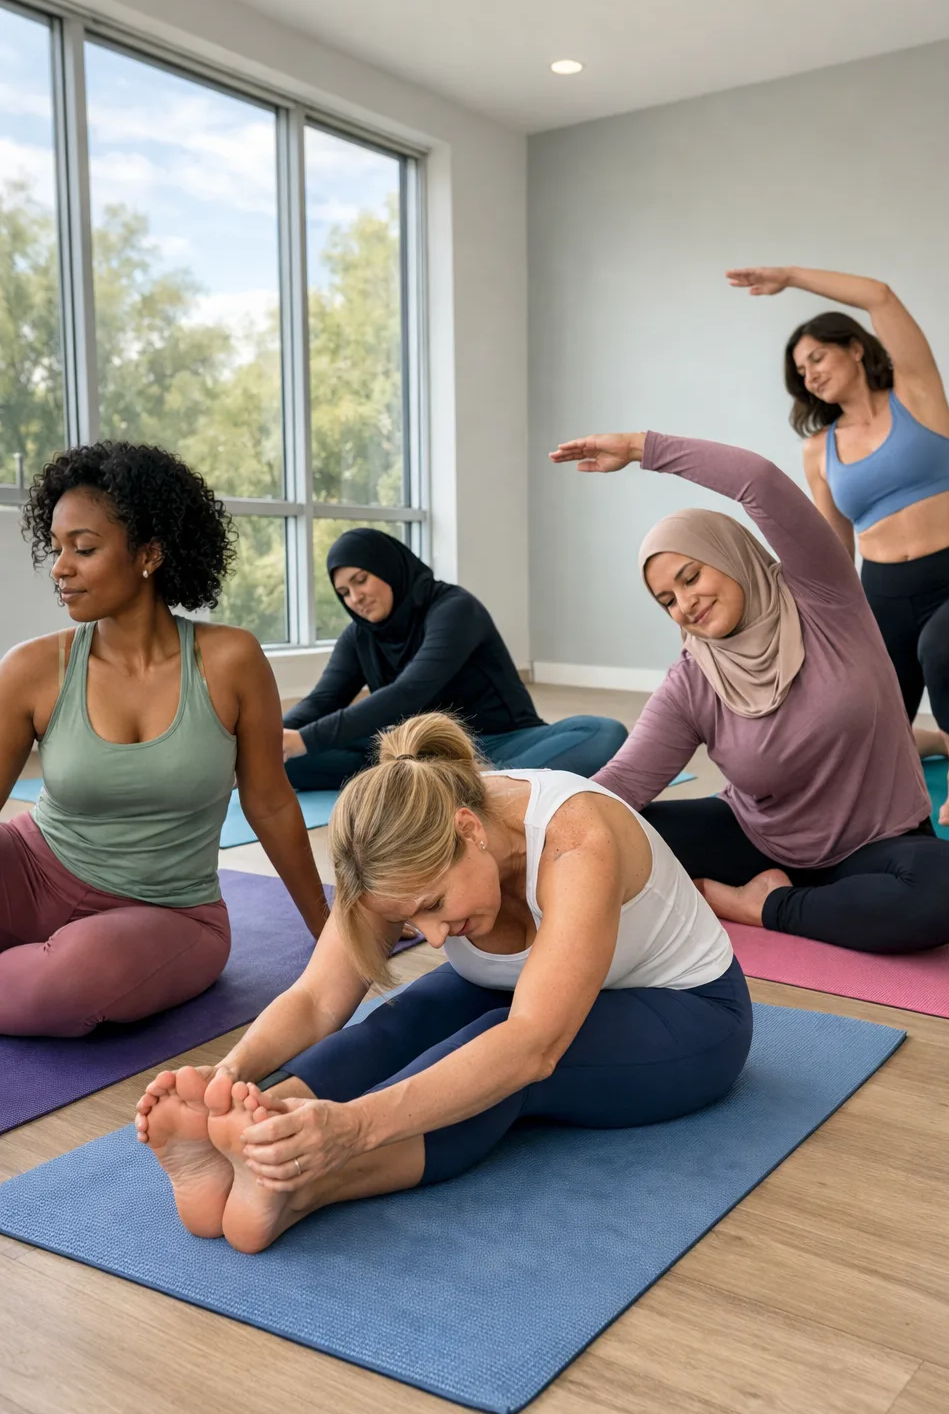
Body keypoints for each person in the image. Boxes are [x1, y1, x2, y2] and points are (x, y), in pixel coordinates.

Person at [133, 711, 751, 1254]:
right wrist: (229, 1076)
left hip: (691, 1016)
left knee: (496, 1055)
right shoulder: (395, 847)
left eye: (432, 904)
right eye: (409, 918)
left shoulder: (574, 838)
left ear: (470, 830)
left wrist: (353, 1128)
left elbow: (531, 1044)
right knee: (401, 1020)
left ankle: (303, 1184)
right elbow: (318, 998)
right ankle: (258, 1134)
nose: (431, 937)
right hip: (519, 993)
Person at [549, 430, 949, 954]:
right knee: (612, 834)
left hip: (881, 843)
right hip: (759, 844)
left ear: (728, 555)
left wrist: (641, 448)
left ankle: (760, 907)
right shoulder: (692, 680)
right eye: (668, 599)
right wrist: (528, 833)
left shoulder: (824, 597)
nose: (686, 604)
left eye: (692, 577)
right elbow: (623, 781)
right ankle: (821, 905)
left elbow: (758, 482)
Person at [0, 442, 329, 1037]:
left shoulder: (231, 660)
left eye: (85, 548)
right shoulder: (30, 668)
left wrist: (330, 929)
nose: (60, 568)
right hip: (30, 869)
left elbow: (272, 802)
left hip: (167, 912)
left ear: (149, 554)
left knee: (70, 982)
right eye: (56, 549)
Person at [725, 265, 949, 828]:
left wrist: (789, 276)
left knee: (945, 651)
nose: (808, 375)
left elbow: (881, 295)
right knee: (868, 722)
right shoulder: (819, 450)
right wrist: (814, 616)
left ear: (855, 349)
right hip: (884, 598)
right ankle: (931, 740)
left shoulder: (918, 397)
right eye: (799, 371)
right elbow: (835, 546)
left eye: (817, 358)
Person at [282, 528, 627, 789]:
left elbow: (409, 692)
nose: (355, 598)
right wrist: (273, 738)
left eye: (361, 581)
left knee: (604, 733)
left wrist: (306, 739)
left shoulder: (454, 609)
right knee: (285, 762)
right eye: (344, 592)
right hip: (414, 750)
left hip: (496, 742)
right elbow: (323, 700)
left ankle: (470, 783)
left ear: (386, 568)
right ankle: (441, 785)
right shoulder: (359, 636)